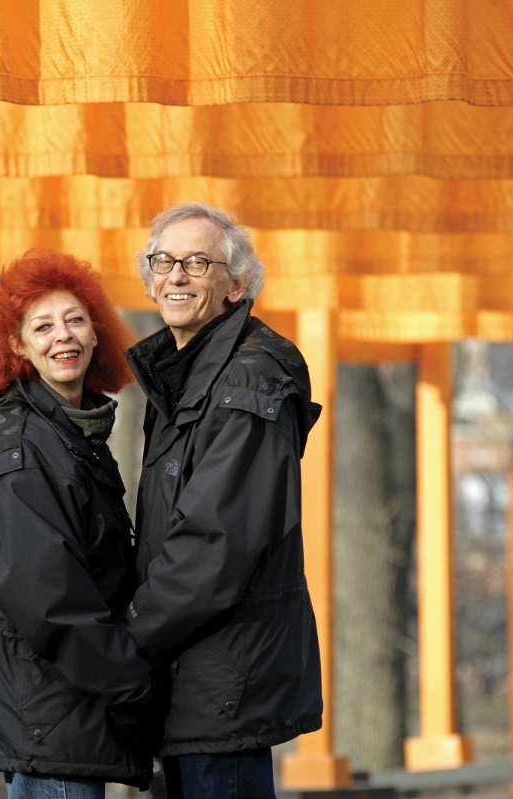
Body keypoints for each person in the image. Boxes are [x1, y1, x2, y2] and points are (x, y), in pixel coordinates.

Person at [123, 203, 324, 798]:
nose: (176, 275)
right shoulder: (185, 375)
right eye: (164, 261)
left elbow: (216, 546)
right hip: (192, 681)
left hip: (224, 685)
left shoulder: (249, 378)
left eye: (198, 262)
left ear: (237, 286)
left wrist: (126, 643)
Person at [0, 250, 160, 797]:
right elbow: (44, 595)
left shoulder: (69, 432)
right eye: (42, 326)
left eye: (75, 319)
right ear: (17, 345)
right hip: (51, 710)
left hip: (71, 704)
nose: (61, 336)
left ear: (97, 334)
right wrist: (132, 684)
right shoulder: (17, 441)